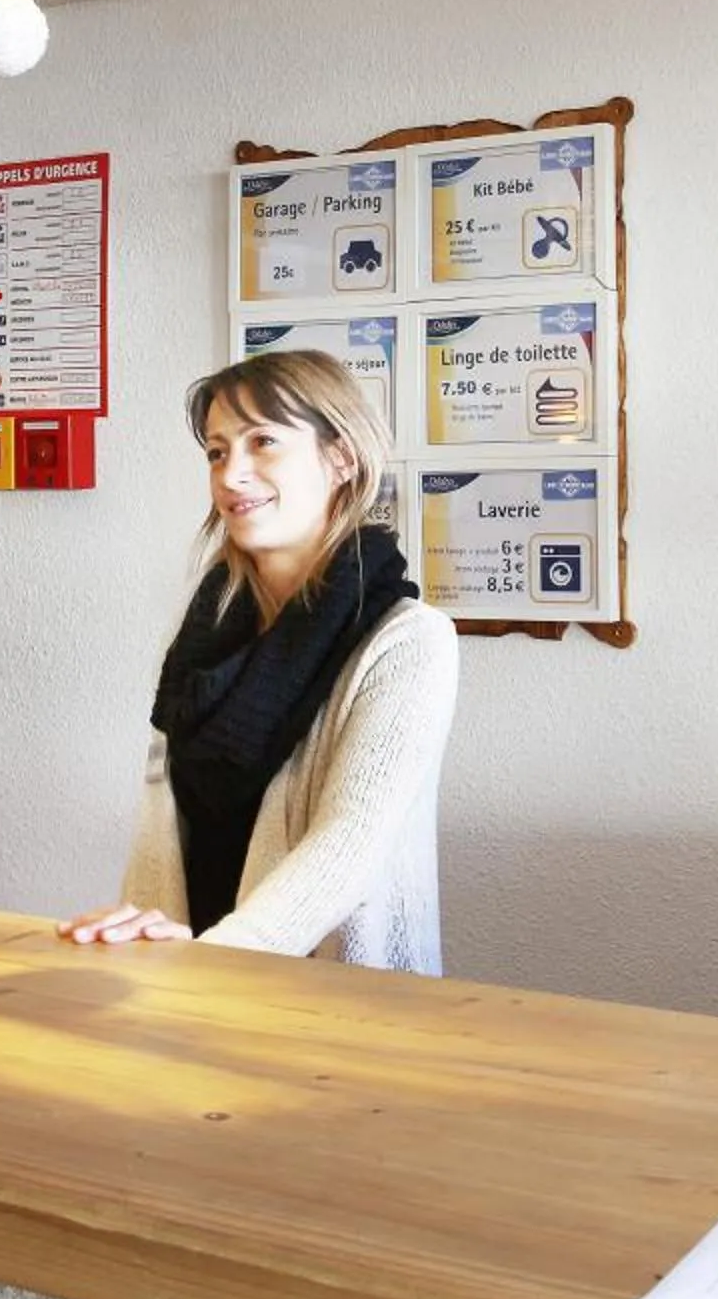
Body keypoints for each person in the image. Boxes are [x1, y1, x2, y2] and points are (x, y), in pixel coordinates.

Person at [63, 351, 458, 972]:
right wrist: (136, 944)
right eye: (217, 452)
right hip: (193, 988)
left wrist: (213, 961)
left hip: (334, 1008)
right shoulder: (207, 630)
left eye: (264, 442)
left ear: (341, 458)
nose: (231, 474)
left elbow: (348, 847)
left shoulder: (409, 641)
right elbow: (161, 822)